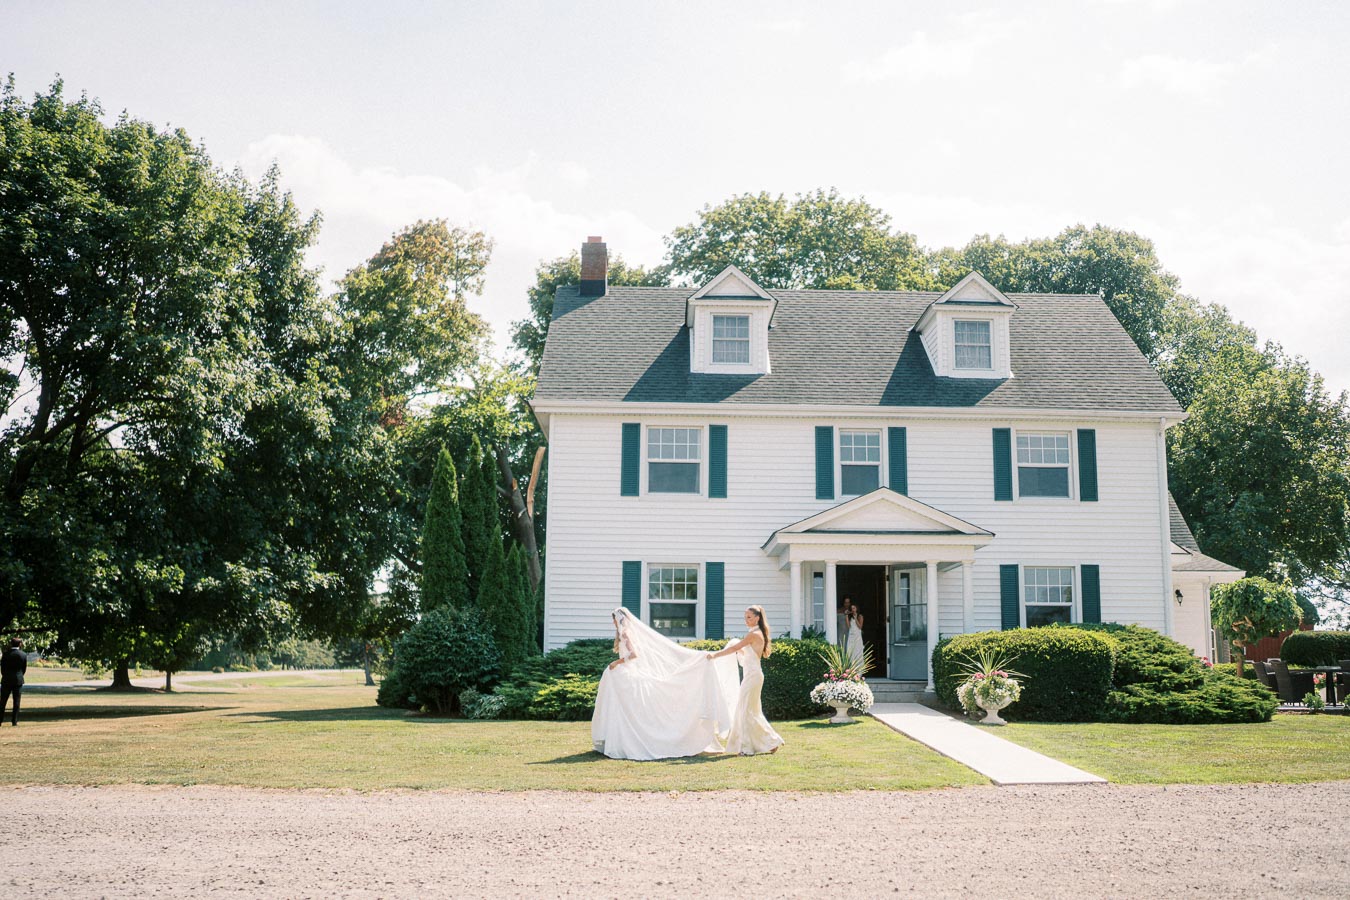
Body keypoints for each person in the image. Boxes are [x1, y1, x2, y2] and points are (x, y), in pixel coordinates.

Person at [591, 608, 739, 761]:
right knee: (622, 709)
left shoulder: (625, 633)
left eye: (614, 619)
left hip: (628, 674)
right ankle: (620, 740)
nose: (613, 622)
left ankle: (628, 741)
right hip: (625, 674)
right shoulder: (627, 632)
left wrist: (617, 662)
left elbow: (634, 655)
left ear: (618, 619)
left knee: (625, 709)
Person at [706, 606, 784, 756]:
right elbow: (745, 653)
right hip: (752, 676)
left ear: (757, 618)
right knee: (750, 711)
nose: (746, 620)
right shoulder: (756, 634)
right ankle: (771, 741)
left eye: (749, 617)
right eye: (745, 617)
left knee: (746, 711)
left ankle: (748, 747)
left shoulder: (754, 635)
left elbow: (735, 648)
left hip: (753, 677)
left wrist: (715, 655)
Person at [1, 637, 26, 726]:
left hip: (6, 679)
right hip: (18, 680)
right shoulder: (23, 655)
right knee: (16, 702)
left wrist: (5, 675)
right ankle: (14, 721)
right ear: (20, 644)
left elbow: (2, 669)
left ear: (11, 644)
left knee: (3, 701)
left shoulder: (6, 654)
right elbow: (24, 669)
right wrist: (19, 676)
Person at [845, 601, 866, 673]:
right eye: (851, 608)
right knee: (850, 651)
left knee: (858, 652)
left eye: (854, 608)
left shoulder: (860, 616)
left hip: (857, 636)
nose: (853, 609)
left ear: (857, 608)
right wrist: (846, 616)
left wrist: (856, 618)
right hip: (851, 635)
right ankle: (851, 670)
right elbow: (848, 626)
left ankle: (859, 671)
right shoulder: (850, 617)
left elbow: (860, 627)